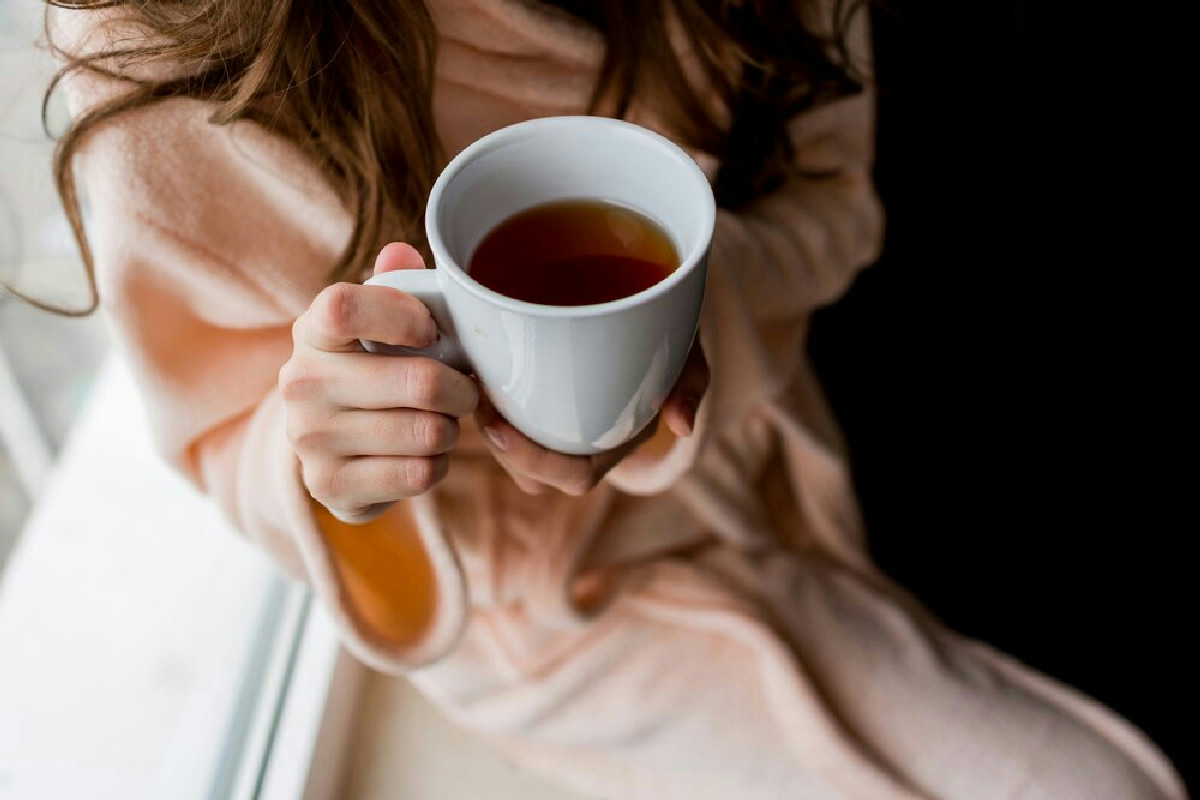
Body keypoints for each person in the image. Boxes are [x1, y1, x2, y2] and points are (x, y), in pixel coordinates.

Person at [41, 0, 1185, 797]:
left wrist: (682, 325)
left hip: (766, 444)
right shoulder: (159, 40)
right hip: (526, 606)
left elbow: (837, 210)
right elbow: (220, 421)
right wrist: (335, 461)